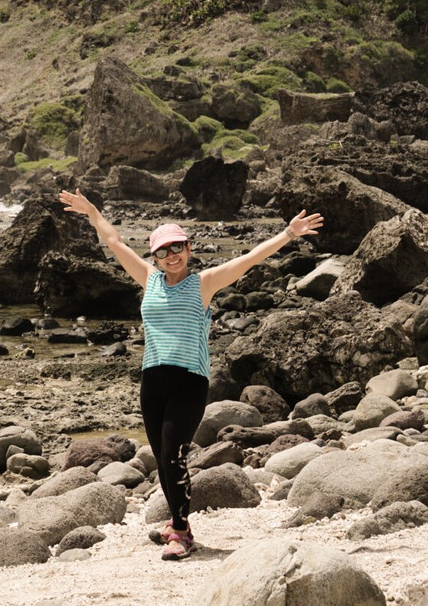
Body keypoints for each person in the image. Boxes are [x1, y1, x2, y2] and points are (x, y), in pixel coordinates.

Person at [58, 188, 323, 560]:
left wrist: (289, 233)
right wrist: (91, 211)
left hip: (189, 382)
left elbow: (249, 259)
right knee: (163, 459)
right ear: (155, 255)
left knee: (171, 456)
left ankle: (181, 533)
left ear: (188, 247)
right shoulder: (148, 279)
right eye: (162, 250)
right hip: (152, 381)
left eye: (177, 247)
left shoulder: (204, 283)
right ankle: (176, 524)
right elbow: (114, 240)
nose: (171, 255)